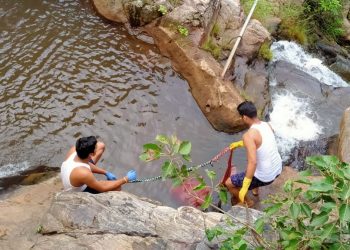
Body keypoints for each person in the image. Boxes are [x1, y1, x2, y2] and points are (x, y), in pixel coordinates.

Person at [225, 101, 282, 207]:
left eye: (241, 117)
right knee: (257, 163)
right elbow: (262, 143)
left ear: (245, 118)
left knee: (229, 183)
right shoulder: (267, 125)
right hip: (278, 169)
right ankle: (255, 191)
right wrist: (241, 144)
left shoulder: (248, 136)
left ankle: (247, 202)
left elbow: (253, 162)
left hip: (265, 176)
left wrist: (245, 186)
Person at [61, 136, 137, 193]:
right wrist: (125, 179)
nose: (97, 146)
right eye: (95, 148)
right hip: (78, 191)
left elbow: (87, 164)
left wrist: (105, 172)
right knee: (117, 188)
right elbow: (102, 188)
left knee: (101, 146)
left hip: (75, 172)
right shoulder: (84, 173)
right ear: (91, 154)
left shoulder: (75, 149)